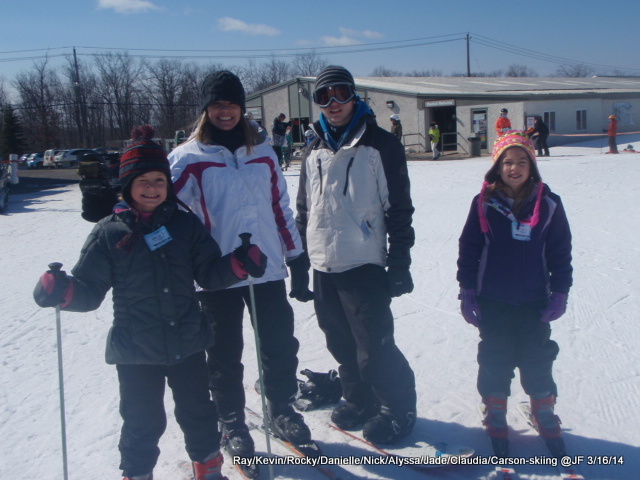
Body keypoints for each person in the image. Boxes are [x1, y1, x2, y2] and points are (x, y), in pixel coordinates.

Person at [33, 125, 268, 480]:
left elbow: (208, 273)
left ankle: (208, 467)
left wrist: (237, 264)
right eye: (144, 181)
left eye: (160, 180)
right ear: (127, 185)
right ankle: (137, 472)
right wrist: (64, 292)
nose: (153, 188)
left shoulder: (185, 225)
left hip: (187, 342)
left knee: (198, 413)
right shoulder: (110, 233)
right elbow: (90, 289)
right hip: (136, 349)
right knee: (143, 420)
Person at [168, 71, 315, 461]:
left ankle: (280, 407)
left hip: (265, 270)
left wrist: (296, 257)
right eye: (217, 104)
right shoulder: (188, 158)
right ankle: (231, 420)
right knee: (223, 354)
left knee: (279, 346)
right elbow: (166, 210)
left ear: (241, 107)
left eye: (231, 104)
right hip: (217, 275)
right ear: (206, 109)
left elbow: (280, 209)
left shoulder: (263, 153)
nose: (225, 111)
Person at [296, 65, 417, 445]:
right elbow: (304, 210)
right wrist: (300, 263)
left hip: (362, 261)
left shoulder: (380, 144)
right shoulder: (312, 146)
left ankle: (398, 409)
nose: (333, 104)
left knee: (374, 345)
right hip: (323, 262)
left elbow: (398, 209)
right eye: (324, 97)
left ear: (354, 96)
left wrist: (399, 262)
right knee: (339, 341)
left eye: (341, 94)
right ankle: (359, 398)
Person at [456, 131, 573, 458]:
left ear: (532, 166)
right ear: (497, 167)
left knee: (538, 358)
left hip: (535, 301)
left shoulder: (549, 204)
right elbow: (469, 249)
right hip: (493, 299)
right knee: (495, 357)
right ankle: (494, 409)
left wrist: (560, 292)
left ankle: (544, 409)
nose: (515, 167)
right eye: (508, 162)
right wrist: (467, 290)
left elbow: (560, 251)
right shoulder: (483, 204)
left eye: (522, 161)